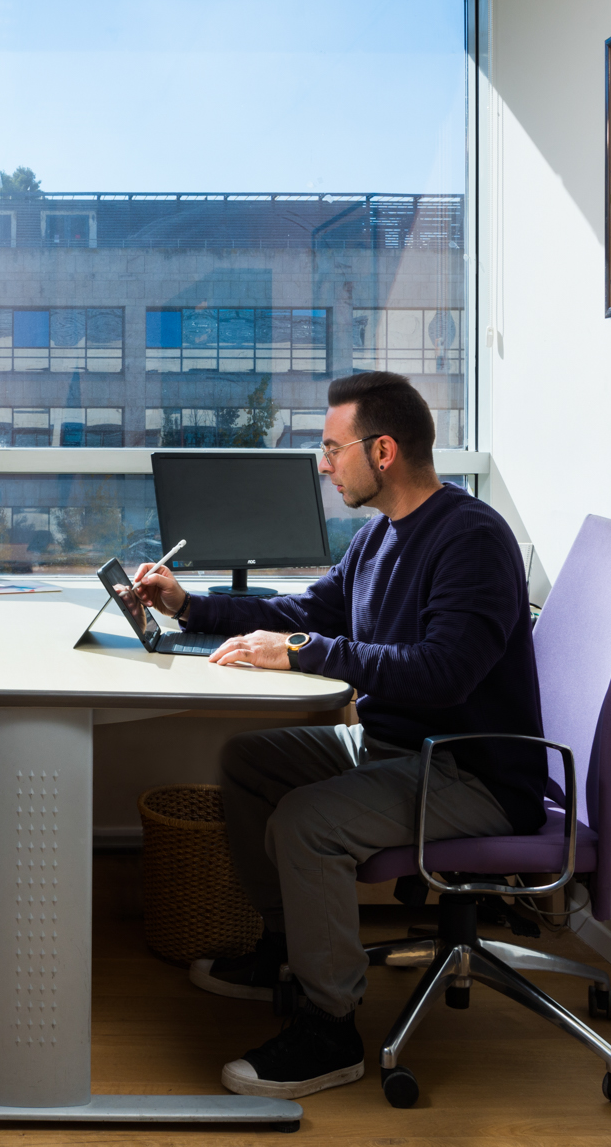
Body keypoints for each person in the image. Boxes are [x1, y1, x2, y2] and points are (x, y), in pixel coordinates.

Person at [132, 370, 544, 1099]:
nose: (323, 465)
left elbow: (444, 673)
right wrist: (189, 605)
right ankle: (286, 951)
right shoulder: (378, 535)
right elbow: (306, 612)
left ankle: (330, 1028)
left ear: (383, 451)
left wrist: (305, 653)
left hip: (470, 770)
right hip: (396, 749)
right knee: (250, 760)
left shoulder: (472, 539)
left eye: (331, 448)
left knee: (308, 821)